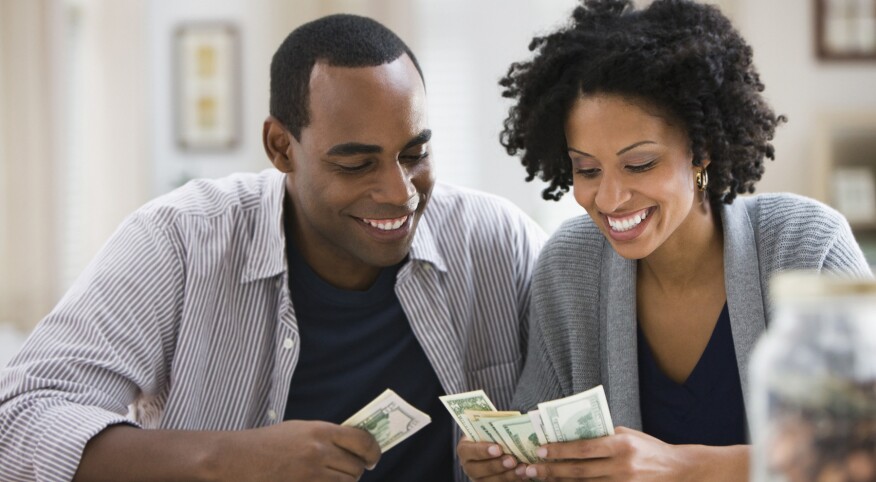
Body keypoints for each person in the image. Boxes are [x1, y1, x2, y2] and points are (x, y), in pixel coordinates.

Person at [0, 14, 546, 482]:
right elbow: (19, 421)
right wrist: (232, 459)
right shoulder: (180, 240)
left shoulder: (498, 240)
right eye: (356, 164)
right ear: (281, 147)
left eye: (414, 153)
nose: (398, 192)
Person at [457, 0, 873, 480]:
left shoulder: (805, 245)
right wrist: (509, 467)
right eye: (586, 169)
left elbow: (862, 451)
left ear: (701, 150)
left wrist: (681, 466)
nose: (609, 198)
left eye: (640, 164)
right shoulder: (569, 266)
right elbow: (543, 443)